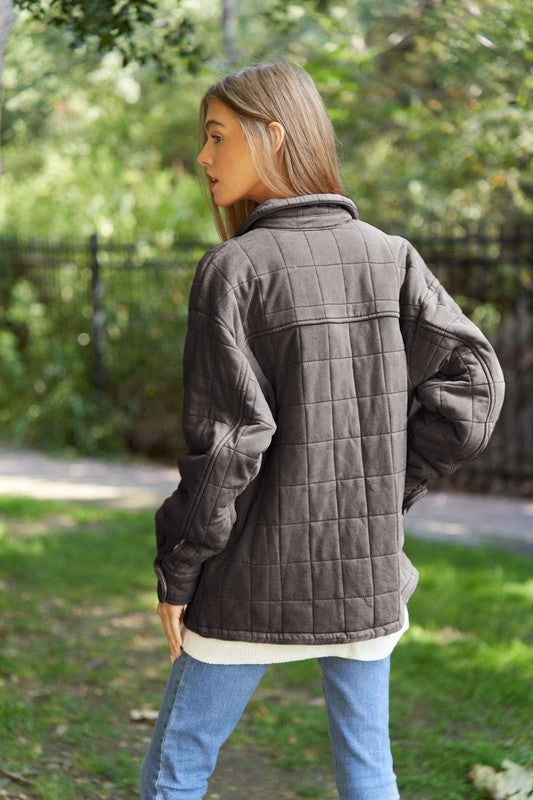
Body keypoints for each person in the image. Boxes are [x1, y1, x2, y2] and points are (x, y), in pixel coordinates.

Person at [139, 59, 505, 800]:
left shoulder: (235, 270)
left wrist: (178, 570)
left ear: (274, 136)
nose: (203, 156)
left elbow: (227, 445)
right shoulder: (390, 257)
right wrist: (384, 493)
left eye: (216, 136)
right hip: (365, 575)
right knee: (369, 774)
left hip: (249, 579)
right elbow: (475, 390)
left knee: (175, 771)